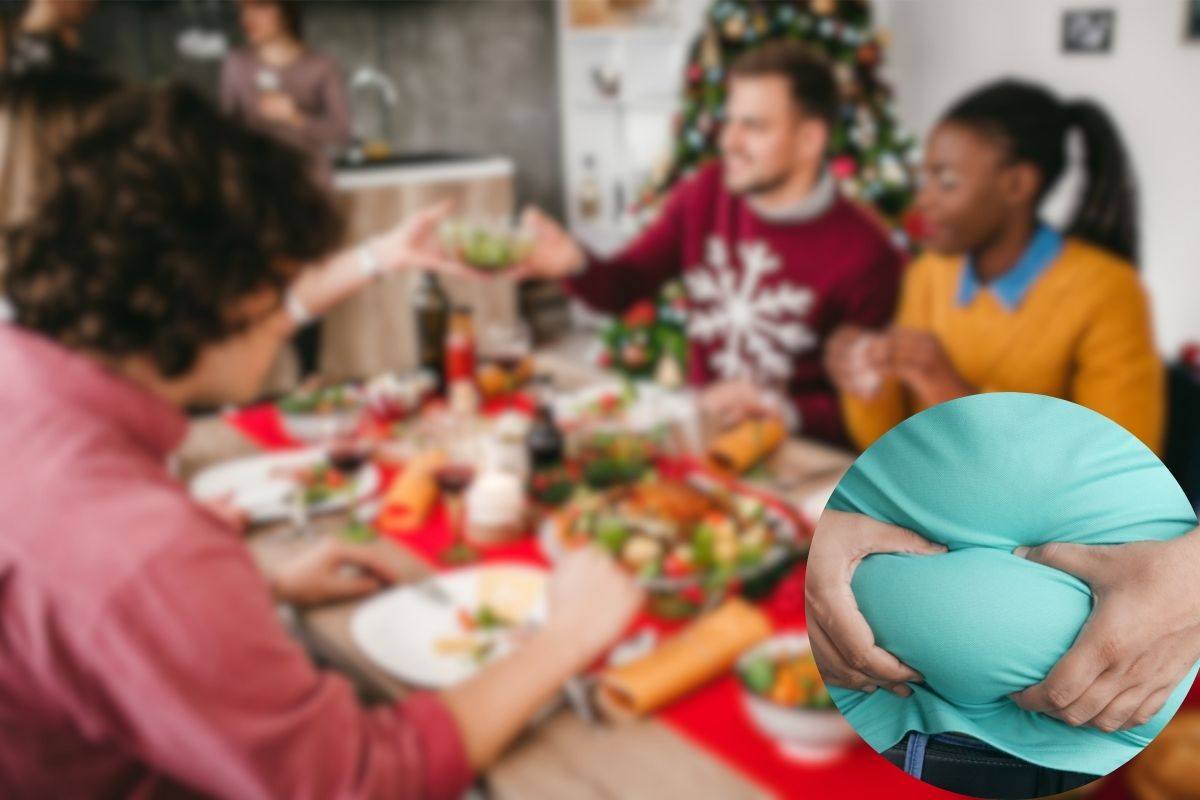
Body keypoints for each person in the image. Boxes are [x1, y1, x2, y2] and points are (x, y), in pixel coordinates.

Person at [0, 83, 644, 797]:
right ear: (217, 292)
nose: (288, 319)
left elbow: (74, 621)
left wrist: (257, 584)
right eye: (280, 290)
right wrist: (572, 633)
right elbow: (360, 779)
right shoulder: (140, 551)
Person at [510, 40, 902, 446]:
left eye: (753, 126)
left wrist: (784, 409)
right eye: (728, 122)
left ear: (809, 140)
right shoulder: (705, 193)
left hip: (803, 462)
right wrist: (576, 264)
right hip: (704, 438)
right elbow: (628, 284)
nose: (729, 141)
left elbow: (877, 409)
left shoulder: (868, 256)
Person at [826, 79, 1163, 454]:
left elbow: (1118, 476)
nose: (923, 199)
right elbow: (890, 445)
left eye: (947, 181)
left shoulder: (1108, 292)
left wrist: (950, 392)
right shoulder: (930, 274)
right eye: (926, 177)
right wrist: (865, 381)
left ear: (1017, 185)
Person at [221, 0, 353, 377]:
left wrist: (294, 116)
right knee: (254, 287)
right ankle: (251, 382)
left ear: (286, 10)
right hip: (256, 191)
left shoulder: (320, 66)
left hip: (307, 193)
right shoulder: (237, 63)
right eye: (243, 8)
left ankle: (308, 377)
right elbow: (226, 128)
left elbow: (341, 134)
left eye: (259, 6)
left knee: (303, 288)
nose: (247, 17)